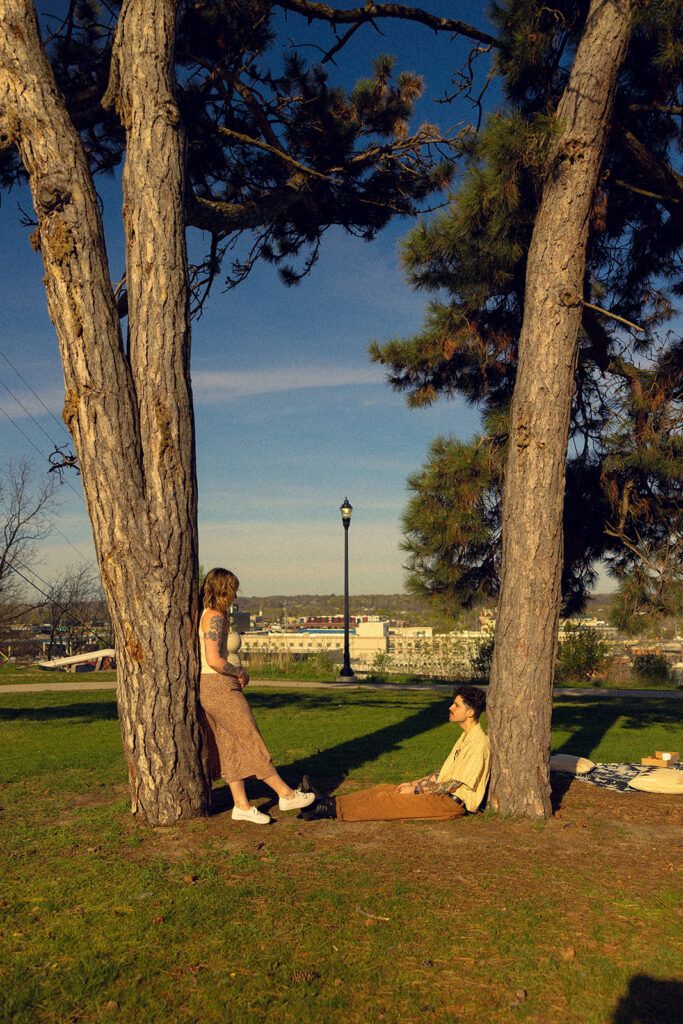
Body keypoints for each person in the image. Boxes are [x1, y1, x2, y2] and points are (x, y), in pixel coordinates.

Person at [198, 567, 314, 825]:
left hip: (212, 687)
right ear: (223, 590)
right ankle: (286, 794)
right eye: (233, 590)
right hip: (219, 687)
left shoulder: (209, 616)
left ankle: (241, 805)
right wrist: (238, 672)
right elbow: (214, 659)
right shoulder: (215, 617)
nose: (236, 596)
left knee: (230, 745)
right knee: (250, 738)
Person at [301, 685, 490, 822]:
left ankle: (323, 809)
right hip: (441, 796)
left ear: (470, 712)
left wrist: (416, 790)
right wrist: (414, 783)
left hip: (450, 803)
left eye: (456, 705)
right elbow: (444, 774)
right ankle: (325, 803)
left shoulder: (478, 743)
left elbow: (453, 784)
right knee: (384, 789)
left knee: (388, 801)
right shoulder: (465, 738)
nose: (451, 707)